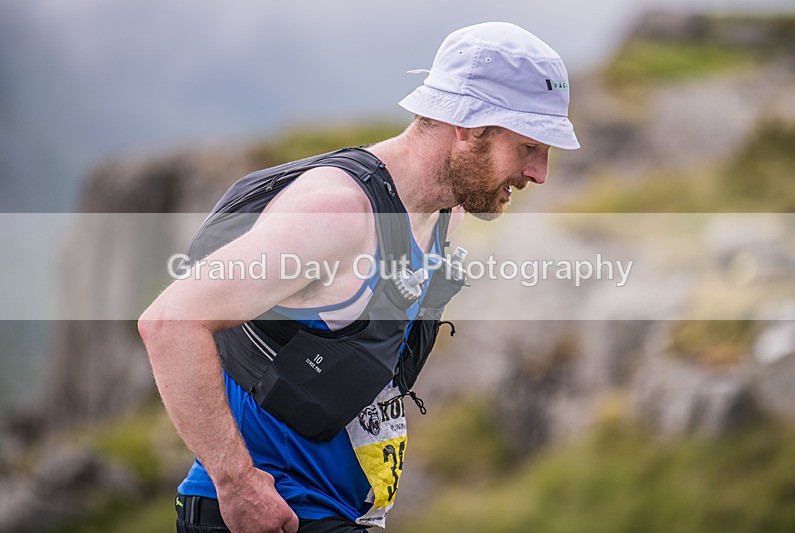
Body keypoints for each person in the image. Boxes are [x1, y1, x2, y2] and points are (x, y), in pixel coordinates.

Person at [138, 21, 579, 533]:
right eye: (528, 147)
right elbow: (170, 322)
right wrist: (237, 484)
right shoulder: (339, 214)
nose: (540, 173)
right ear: (467, 125)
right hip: (272, 512)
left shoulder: (444, 212)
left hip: (340, 514)